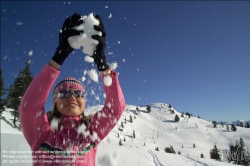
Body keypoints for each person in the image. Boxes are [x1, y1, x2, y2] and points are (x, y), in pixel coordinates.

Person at [18, 13, 125, 166]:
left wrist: (103, 66)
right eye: (64, 93)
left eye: (78, 93)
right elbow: (29, 107)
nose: (72, 97)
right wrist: (58, 58)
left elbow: (115, 109)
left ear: (84, 101)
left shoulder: (90, 133)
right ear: (55, 101)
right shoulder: (43, 134)